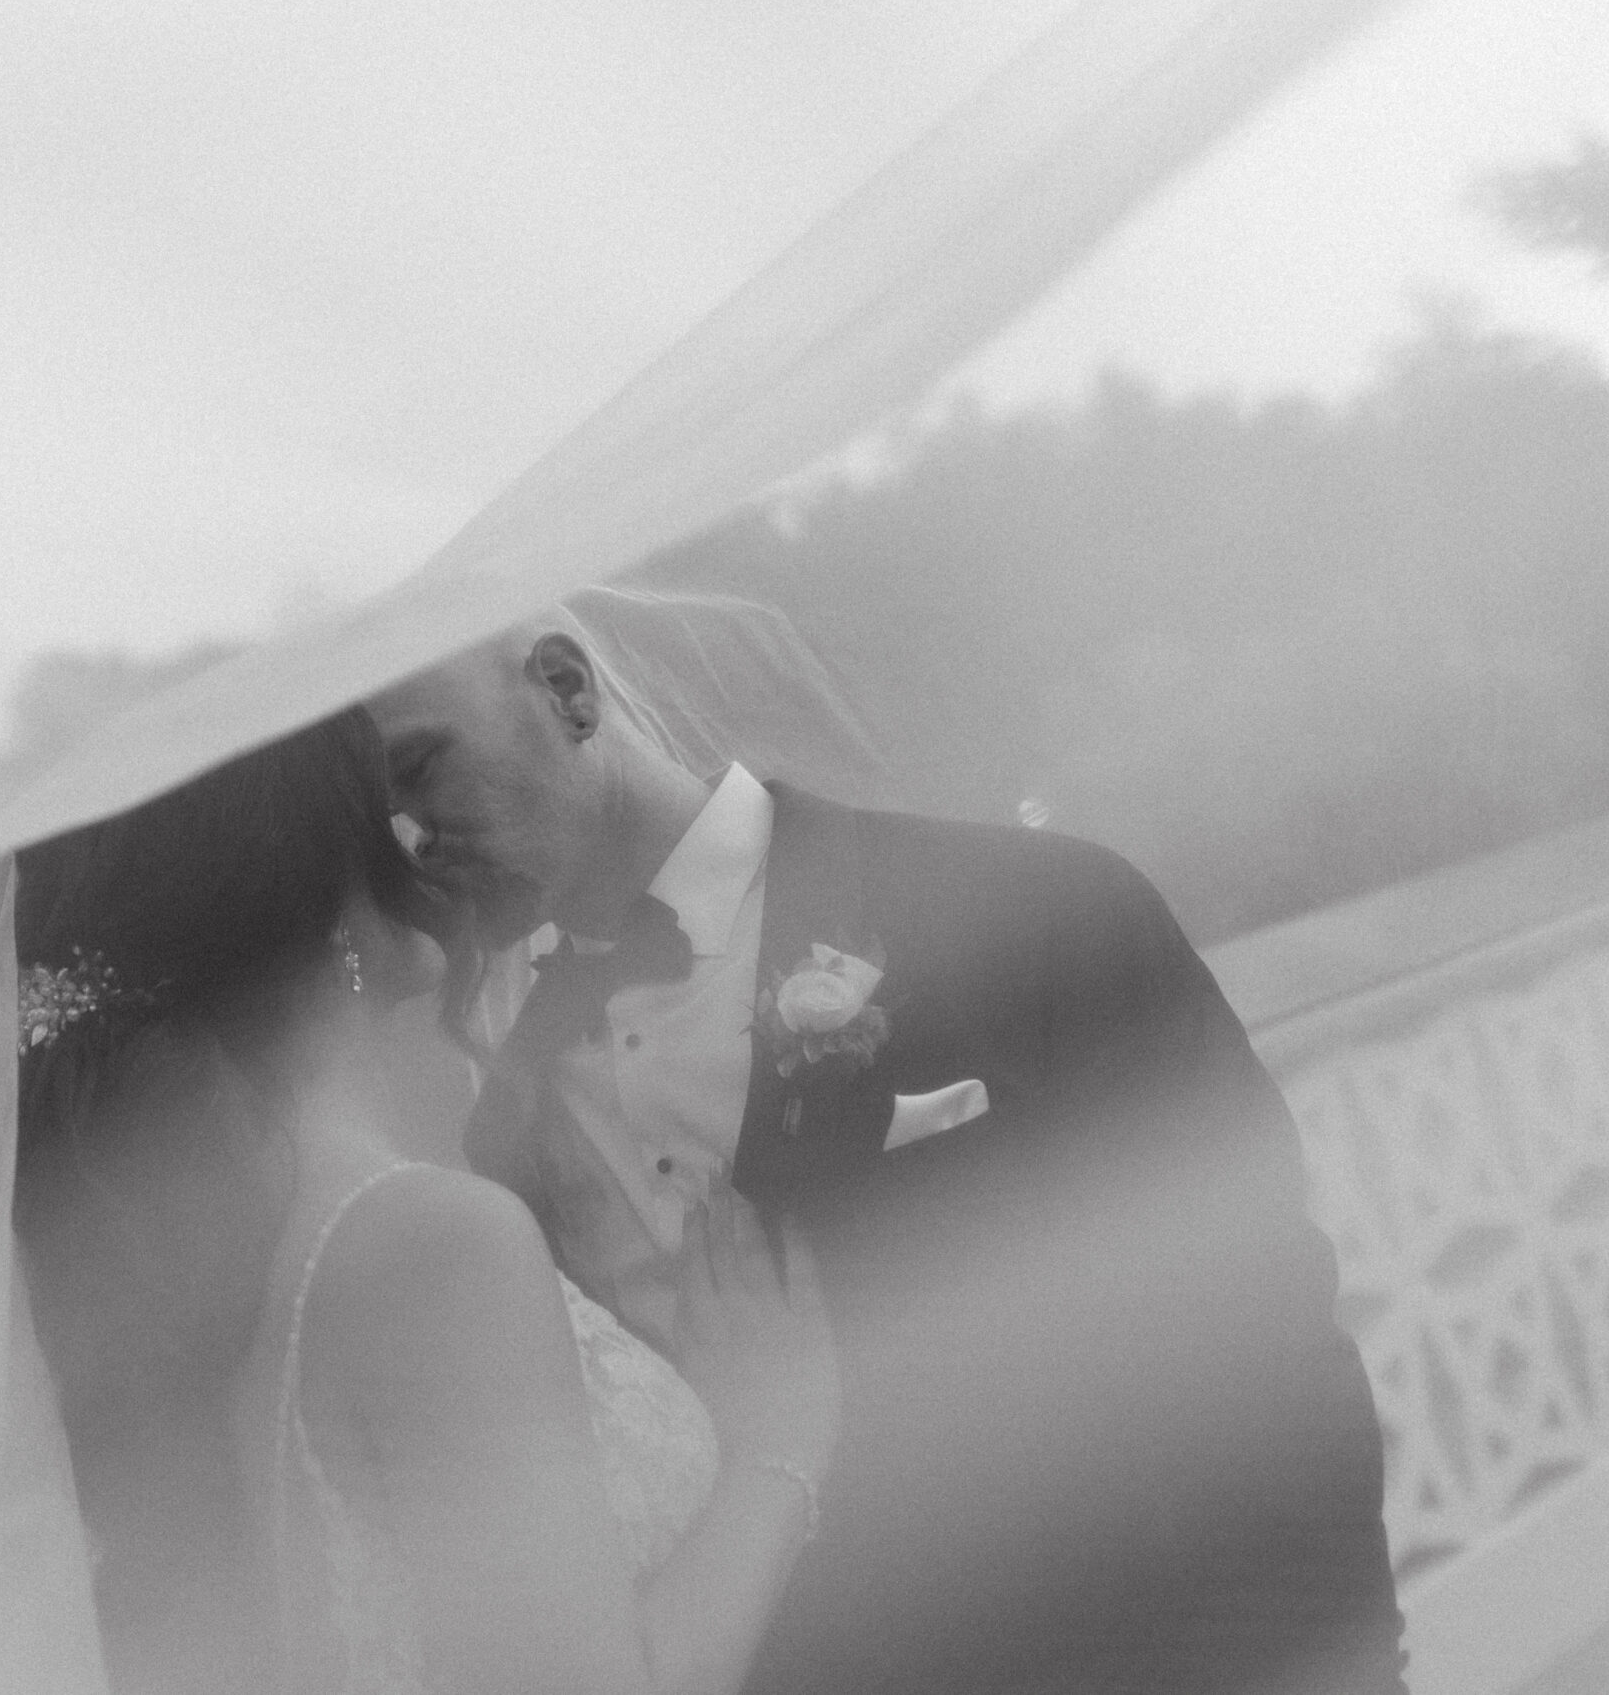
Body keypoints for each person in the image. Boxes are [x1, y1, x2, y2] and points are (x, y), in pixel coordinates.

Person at [368, 615, 1410, 1695]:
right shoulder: (506, 1137)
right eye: (379, 820)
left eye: (422, 768)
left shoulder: (1038, 911)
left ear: (565, 688)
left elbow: (1270, 1366)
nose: (410, 845)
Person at [7, 704, 842, 1695]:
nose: (421, 848)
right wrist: (782, 1444)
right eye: (385, 822)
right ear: (340, 921)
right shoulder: (428, 1245)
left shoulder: (179, 1264)